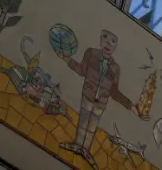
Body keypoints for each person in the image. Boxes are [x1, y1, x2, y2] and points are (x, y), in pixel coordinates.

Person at [60, 29, 144, 159]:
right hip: (88, 96)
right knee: (83, 123)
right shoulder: (91, 53)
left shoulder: (115, 68)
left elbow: (114, 92)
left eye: (113, 41)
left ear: (115, 46)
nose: (109, 43)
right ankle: (77, 145)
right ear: (100, 40)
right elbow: (82, 70)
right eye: (105, 38)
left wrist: (130, 106)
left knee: (92, 128)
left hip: (101, 104)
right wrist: (68, 60)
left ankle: (85, 150)